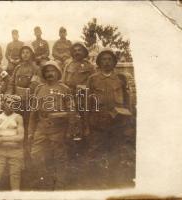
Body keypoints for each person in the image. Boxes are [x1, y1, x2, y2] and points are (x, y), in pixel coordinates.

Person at [85, 48, 134, 188]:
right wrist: (87, 125)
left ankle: (113, 182)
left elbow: (127, 101)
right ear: (99, 62)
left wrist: (128, 122)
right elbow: (87, 104)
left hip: (117, 122)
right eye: (103, 59)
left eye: (109, 59)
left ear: (114, 62)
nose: (106, 62)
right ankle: (97, 183)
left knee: (115, 152)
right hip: (97, 123)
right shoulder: (92, 79)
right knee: (95, 153)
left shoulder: (121, 79)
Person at [28, 60, 76, 190]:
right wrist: (31, 132)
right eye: (47, 71)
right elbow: (33, 113)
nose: (50, 74)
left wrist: (69, 130)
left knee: (60, 157)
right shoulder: (39, 89)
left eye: (52, 71)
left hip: (59, 128)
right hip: (42, 128)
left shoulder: (65, 89)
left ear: (58, 72)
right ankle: (46, 181)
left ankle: (60, 184)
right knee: (35, 155)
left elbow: (72, 111)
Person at [6, 45, 41, 159]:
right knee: (16, 124)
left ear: (31, 54)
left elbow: (34, 85)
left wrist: (24, 94)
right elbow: (11, 83)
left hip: (29, 102)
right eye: (23, 52)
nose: (25, 54)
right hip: (17, 101)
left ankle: (28, 151)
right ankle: (16, 149)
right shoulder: (17, 68)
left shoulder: (36, 68)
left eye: (27, 52)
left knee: (28, 125)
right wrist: (10, 94)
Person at [62, 42, 95, 160]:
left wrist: (84, 89)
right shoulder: (68, 65)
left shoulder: (90, 66)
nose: (77, 52)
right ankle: (70, 149)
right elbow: (63, 81)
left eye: (79, 50)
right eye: (74, 50)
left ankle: (84, 150)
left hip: (84, 97)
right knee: (70, 121)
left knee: (84, 122)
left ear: (84, 52)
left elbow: (93, 82)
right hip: (70, 97)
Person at [0, 95, 24, 190]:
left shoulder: (18, 118)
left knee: (15, 178)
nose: (11, 105)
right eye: (8, 102)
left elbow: (20, 137)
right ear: (3, 103)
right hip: (0, 151)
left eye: (13, 103)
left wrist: (2, 139)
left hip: (16, 151)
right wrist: (9, 139)